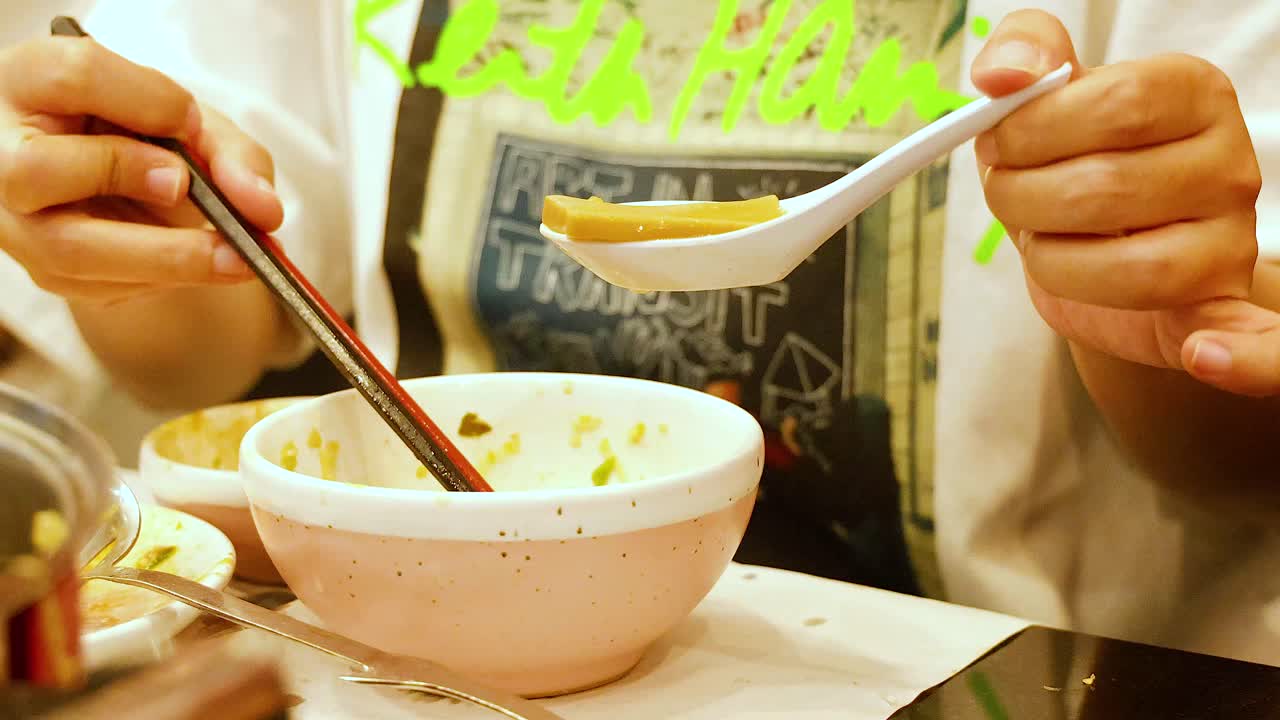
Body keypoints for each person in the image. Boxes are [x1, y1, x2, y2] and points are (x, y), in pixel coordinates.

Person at [0, 0, 1276, 664]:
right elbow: (197, 354)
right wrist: (134, 238)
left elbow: (1234, 461)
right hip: (417, 660)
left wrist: (1138, 300)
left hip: (1005, 673)